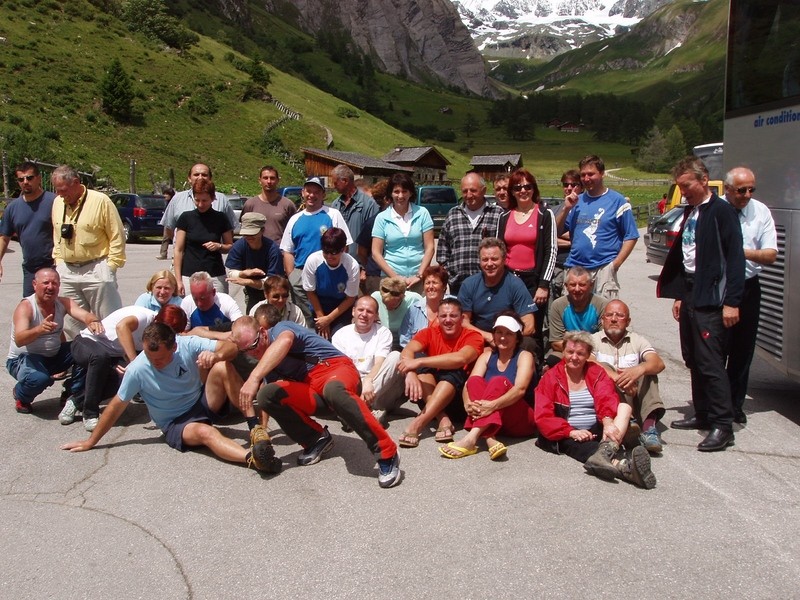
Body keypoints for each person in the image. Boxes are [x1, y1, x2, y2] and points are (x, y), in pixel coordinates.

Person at [61, 322, 282, 475]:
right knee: (206, 432)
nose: (153, 362)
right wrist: (91, 441)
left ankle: (255, 428)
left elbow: (231, 347)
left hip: (201, 401)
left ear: (174, 347)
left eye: (159, 358)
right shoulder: (137, 369)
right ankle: (254, 459)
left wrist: (216, 355)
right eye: (149, 356)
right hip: (177, 422)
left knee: (223, 366)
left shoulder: (186, 344)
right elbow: (116, 406)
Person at [237, 305, 402, 488]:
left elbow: (285, 341)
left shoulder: (280, 329)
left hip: (334, 369)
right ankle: (315, 439)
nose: (252, 353)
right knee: (267, 394)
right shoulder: (266, 361)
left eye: (253, 345)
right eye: (246, 351)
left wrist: (253, 377)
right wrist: (259, 429)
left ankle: (387, 451)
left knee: (334, 391)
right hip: (312, 387)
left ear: (262, 331)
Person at [658, 156, 745, 452]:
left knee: (710, 361)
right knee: (693, 356)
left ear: (704, 179)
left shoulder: (722, 212)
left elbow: (735, 260)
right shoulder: (691, 211)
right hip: (692, 293)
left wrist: (732, 302)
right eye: (679, 187)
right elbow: (687, 258)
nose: (683, 192)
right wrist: (681, 295)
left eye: (687, 185)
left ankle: (723, 424)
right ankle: (704, 412)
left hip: (713, 298)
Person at [534, 331, 657, 489]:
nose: (574, 357)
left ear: (587, 355)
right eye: (570, 352)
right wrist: (570, 431)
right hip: (565, 433)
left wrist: (607, 421)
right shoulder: (551, 377)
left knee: (624, 407)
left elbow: (606, 396)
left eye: (580, 353)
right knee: (585, 448)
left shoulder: (596, 372)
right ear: (563, 351)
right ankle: (625, 468)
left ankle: (606, 450)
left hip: (596, 427)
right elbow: (543, 416)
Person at [440, 313, 537, 460]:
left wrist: (492, 406)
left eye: (509, 333)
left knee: (498, 381)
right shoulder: (486, 356)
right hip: (492, 418)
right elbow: (468, 385)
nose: (503, 337)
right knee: (474, 381)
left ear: (517, 338)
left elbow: (520, 390)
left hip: (521, 420)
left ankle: (470, 439)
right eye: (499, 332)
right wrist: (467, 404)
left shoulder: (524, 356)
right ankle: (490, 438)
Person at [723, 167, 777, 424]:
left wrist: (740, 252)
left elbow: (770, 255)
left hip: (748, 285)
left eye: (751, 189)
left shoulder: (760, 211)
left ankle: (735, 405)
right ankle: (712, 405)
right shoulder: (716, 210)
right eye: (741, 190)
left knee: (742, 350)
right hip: (718, 286)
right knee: (714, 350)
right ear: (727, 189)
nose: (747, 195)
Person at [396, 297, 484, 448]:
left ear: (462, 318)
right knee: (421, 369)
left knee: (452, 370)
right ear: (437, 317)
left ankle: (418, 423)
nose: (448, 320)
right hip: (429, 395)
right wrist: (411, 372)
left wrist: (419, 361)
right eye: (443, 316)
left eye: (453, 316)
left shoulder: (473, 336)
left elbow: (461, 358)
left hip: (458, 400)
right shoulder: (429, 333)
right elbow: (408, 350)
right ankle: (441, 417)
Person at [51, 165, 126, 338]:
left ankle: (111, 357)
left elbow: (117, 235)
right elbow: (56, 235)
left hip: (97, 267)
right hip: (67, 270)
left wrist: (111, 266)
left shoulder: (101, 201)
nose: (60, 195)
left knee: (109, 320)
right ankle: (78, 359)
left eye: (63, 190)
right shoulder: (57, 203)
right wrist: (59, 262)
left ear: (76, 182)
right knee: (71, 323)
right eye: (57, 190)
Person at [6, 268, 93, 414]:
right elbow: (20, 339)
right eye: (45, 283)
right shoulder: (26, 307)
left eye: (55, 283)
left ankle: (72, 392)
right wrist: (39, 330)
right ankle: (21, 395)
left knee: (87, 350)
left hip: (52, 356)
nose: (50, 287)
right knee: (40, 379)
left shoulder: (63, 303)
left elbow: (85, 316)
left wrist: (93, 321)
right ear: (34, 284)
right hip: (22, 360)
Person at [63, 305, 159, 431]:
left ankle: (77, 399)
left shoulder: (158, 333)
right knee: (100, 357)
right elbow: (121, 327)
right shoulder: (144, 316)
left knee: (129, 376)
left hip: (111, 355)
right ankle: (90, 412)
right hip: (86, 343)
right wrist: (133, 361)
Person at [556, 155, 639, 299]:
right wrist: (566, 209)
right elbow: (556, 231)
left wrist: (614, 265)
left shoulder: (617, 201)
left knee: (603, 317)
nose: (586, 178)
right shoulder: (577, 201)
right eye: (583, 175)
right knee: (572, 317)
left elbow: (631, 236)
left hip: (603, 268)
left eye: (591, 174)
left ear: (602, 173)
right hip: (575, 267)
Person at [591, 300, 667, 454]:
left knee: (649, 372)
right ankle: (628, 424)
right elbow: (588, 361)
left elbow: (658, 363)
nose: (613, 319)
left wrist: (638, 369)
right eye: (609, 315)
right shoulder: (593, 339)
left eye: (619, 316)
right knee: (603, 367)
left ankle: (648, 429)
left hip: (633, 396)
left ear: (628, 321)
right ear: (602, 319)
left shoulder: (637, 340)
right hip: (608, 400)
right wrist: (616, 377)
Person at [496, 168, 557, 360]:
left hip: (533, 282)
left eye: (527, 186)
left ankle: (533, 369)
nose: (523, 191)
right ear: (512, 192)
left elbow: (551, 250)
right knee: (507, 326)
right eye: (518, 187)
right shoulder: (504, 217)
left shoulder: (544, 215)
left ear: (534, 189)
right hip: (509, 279)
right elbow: (500, 250)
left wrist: (544, 285)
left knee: (532, 329)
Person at [280, 176, 352, 322]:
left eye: (316, 192)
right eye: (308, 191)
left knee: (327, 317)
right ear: (302, 192)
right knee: (306, 318)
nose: (311, 195)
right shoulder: (295, 219)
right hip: (300, 275)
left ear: (323, 194)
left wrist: (335, 268)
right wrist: (292, 276)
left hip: (327, 272)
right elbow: (287, 250)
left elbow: (345, 246)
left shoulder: (333, 215)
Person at [331, 296, 401, 425]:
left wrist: (368, 380)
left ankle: (355, 411)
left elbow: (379, 362)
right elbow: (340, 368)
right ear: (353, 311)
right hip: (352, 382)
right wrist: (360, 384)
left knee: (396, 356)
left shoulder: (383, 332)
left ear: (376, 315)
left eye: (369, 311)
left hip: (376, 383)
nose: (364, 314)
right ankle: (367, 411)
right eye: (360, 310)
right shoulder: (340, 335)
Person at [457, 238, 535, 346]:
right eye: (485, 259)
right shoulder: (469, 284)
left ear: (504, 260)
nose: (489, 264)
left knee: (528, 344)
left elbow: (529, 325)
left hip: (509, 339)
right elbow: (463, 322)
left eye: (494, 259)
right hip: (480, 338)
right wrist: (488, 337)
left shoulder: (515, 284)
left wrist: (504, 340)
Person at [436, 172, 503, 296]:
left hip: (490, 284)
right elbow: (442, 251)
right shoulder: (453, 214)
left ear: (483, 191)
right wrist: (450, 274)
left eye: (473, 190)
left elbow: (504, 249)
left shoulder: (497, 214)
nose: (469, 195)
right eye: (465, 191)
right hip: (458, 285)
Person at [371, 172, 434, 294]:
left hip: (418, 279)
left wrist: (419, 275)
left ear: (411, 192)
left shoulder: (422, 213)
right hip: (391, 280)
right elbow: (376, 253)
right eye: (396, 191)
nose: (400, 195)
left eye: (404, 191)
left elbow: (430, 247)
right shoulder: (381, 218)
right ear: (390, 193)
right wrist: (395, 277)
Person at [157, 163, 236, 260]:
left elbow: (229, 231)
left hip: (211, 260)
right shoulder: (177, 199)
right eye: (196, 174)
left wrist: (219, 246)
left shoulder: (222, 199)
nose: (200, 177)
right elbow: (169, 228)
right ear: (189, 178)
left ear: (210, 178)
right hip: (182, 258)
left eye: (204, 175)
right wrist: (186, 245)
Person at [0, 161, 56, 296]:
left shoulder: (55, 201)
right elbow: (4, 237)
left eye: (29, 178)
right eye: (21, 179)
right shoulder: (12, 208)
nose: (25, 182)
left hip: (54, 265)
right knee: (30, 308)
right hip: (30, 268)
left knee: (56, 308)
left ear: (39, 178)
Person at [173, 178, 233, 296]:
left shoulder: (221, 218)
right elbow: (178, 250)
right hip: (189, 274)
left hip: (215, 273)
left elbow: (229, 245)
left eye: (204, 200)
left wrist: (219, 246)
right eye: (197, 200)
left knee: (219, 309)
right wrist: (178, 280)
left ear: (212, 198)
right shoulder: (186, 218)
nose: (200, 204)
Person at [302, 227, 360, 339]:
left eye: (333, 253)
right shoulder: (313, 260)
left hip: (342, 306)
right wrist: (322, 318)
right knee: (320, 339)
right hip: (319, 305)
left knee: (338, 337)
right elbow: (310, 291)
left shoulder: (352, 265)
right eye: (326, 252)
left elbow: (350, 298)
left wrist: (329, 319)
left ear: (343, 249)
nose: (329, 256)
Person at [547, 266, 608, 367]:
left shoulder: (602, 304)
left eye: (582, 285)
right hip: (568, 351)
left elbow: (604, 339)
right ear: (566, 286)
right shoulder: (558, 305)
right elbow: (556, 342)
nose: (577, 289)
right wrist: (579, 351)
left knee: (606, 364)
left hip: (594, 352)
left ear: (591, 285)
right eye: (572, 285)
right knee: (552, 360)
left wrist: (585, 353)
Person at [225, 212, 284, 314]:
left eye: (253, 233)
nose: (249, 237)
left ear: (262, 231)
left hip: (274, 294)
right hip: (252, 294)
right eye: (246, 234)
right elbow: (231, 272)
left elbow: (272, 283)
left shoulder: (273, 249)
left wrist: (247, 281)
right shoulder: (239, 246)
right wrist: (244, 273)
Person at [331, 164, 379, 257]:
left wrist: (365, 267)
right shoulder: (335, 204)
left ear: (345, 181)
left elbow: (373, 237)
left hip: (359, 264)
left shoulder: (369, 204)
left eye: (335, 183)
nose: (333, 186)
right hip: (338, 262)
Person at [240, 165, 296, 246]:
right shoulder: (250, 204)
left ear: (277, 180)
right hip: (255, 253)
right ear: (260, 180)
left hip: (280, 253)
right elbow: (244, 230)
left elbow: (294, 231)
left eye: (272, 178)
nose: (269, 181)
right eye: (265, 178)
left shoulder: (288, 205)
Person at [550, 170, 582, 300]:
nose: (569, 188)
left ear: (581, 186)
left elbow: (585, 232)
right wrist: (572, 241)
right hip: (557, 265)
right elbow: (550, 238)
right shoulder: (554, 210)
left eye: (574, 184)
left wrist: (563, 235)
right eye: (566, 184)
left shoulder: (585, 209)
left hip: (579, 266)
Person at [399, 265, 449, 347]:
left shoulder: (455, 305)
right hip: (418, 356)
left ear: (444, 286)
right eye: (427, 283)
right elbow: (405, 340)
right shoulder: (413, 309)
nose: (431, 287)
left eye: (435, 283)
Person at [356, 179, 389, 295]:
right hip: (376, 276)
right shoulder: (373, 222)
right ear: (387, 200)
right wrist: (370, 266)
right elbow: (361, 251)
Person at [370, 276, 422, 350]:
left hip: (405, 343)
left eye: (393, 304)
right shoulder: (375, 297)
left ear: (403, 297)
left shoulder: (414, 300)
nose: (388, 307)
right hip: (381, 341)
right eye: (385, 303)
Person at [156, 187, 176, 261]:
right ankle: (163, 254)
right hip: (167, 222)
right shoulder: (166, 203)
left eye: (166, 194)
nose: (165, 196)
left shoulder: (174, 202)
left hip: (175, 222)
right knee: (165, 238)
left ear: (171, 195)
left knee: (175, 239)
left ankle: (176, 254)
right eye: (164, 194)